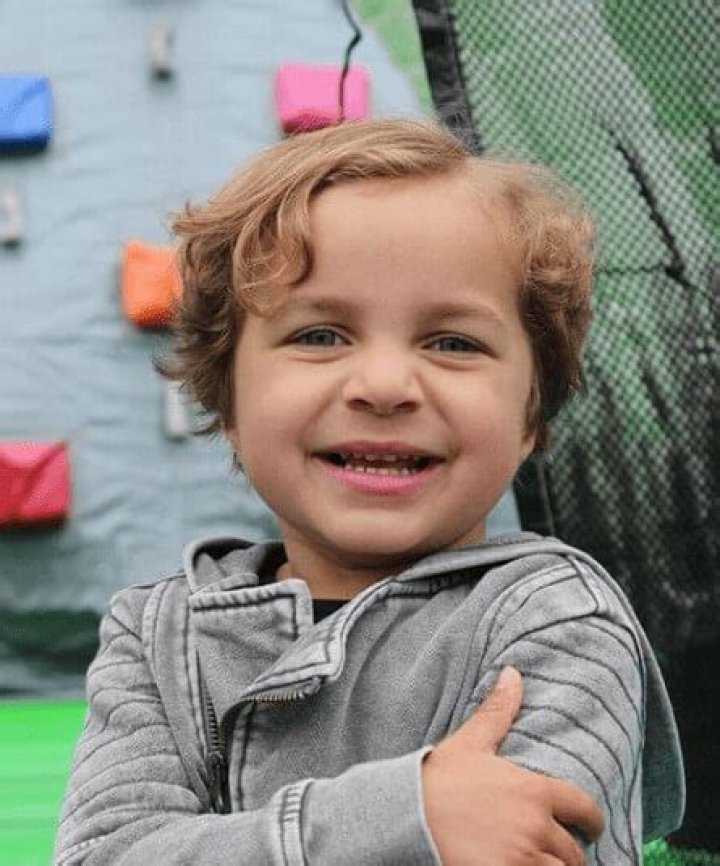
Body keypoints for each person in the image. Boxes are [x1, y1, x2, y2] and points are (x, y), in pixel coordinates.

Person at [54, 118, 684, 865]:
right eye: (320, 335)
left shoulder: (557, 622)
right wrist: (406, 816)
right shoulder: (156, 636)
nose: (384, 385)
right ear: (227, 398)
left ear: (531, 417)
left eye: (453, 343)